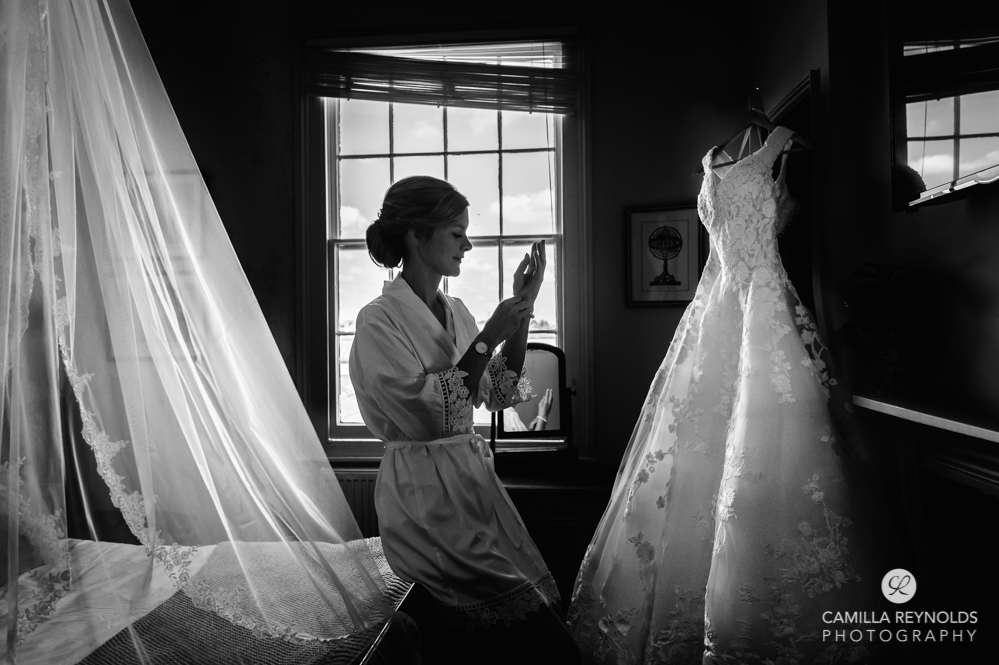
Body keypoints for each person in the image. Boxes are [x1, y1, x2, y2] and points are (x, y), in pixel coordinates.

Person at [568, 126, 887, 663]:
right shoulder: (772, 146)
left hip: (725, 302)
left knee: (736, 441)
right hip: (749, 298)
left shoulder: (719, 159)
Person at [349, 176, 580, 664]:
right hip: (422, 498)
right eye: (456, 234)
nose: (468, 245)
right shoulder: (378, 321)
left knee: (525, 628)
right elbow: (429, 416)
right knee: (543, 642)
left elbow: (497, 392)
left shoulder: (456, 311)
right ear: (417, 235)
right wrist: (489, 335)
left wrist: (521, 314)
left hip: (472, 488)